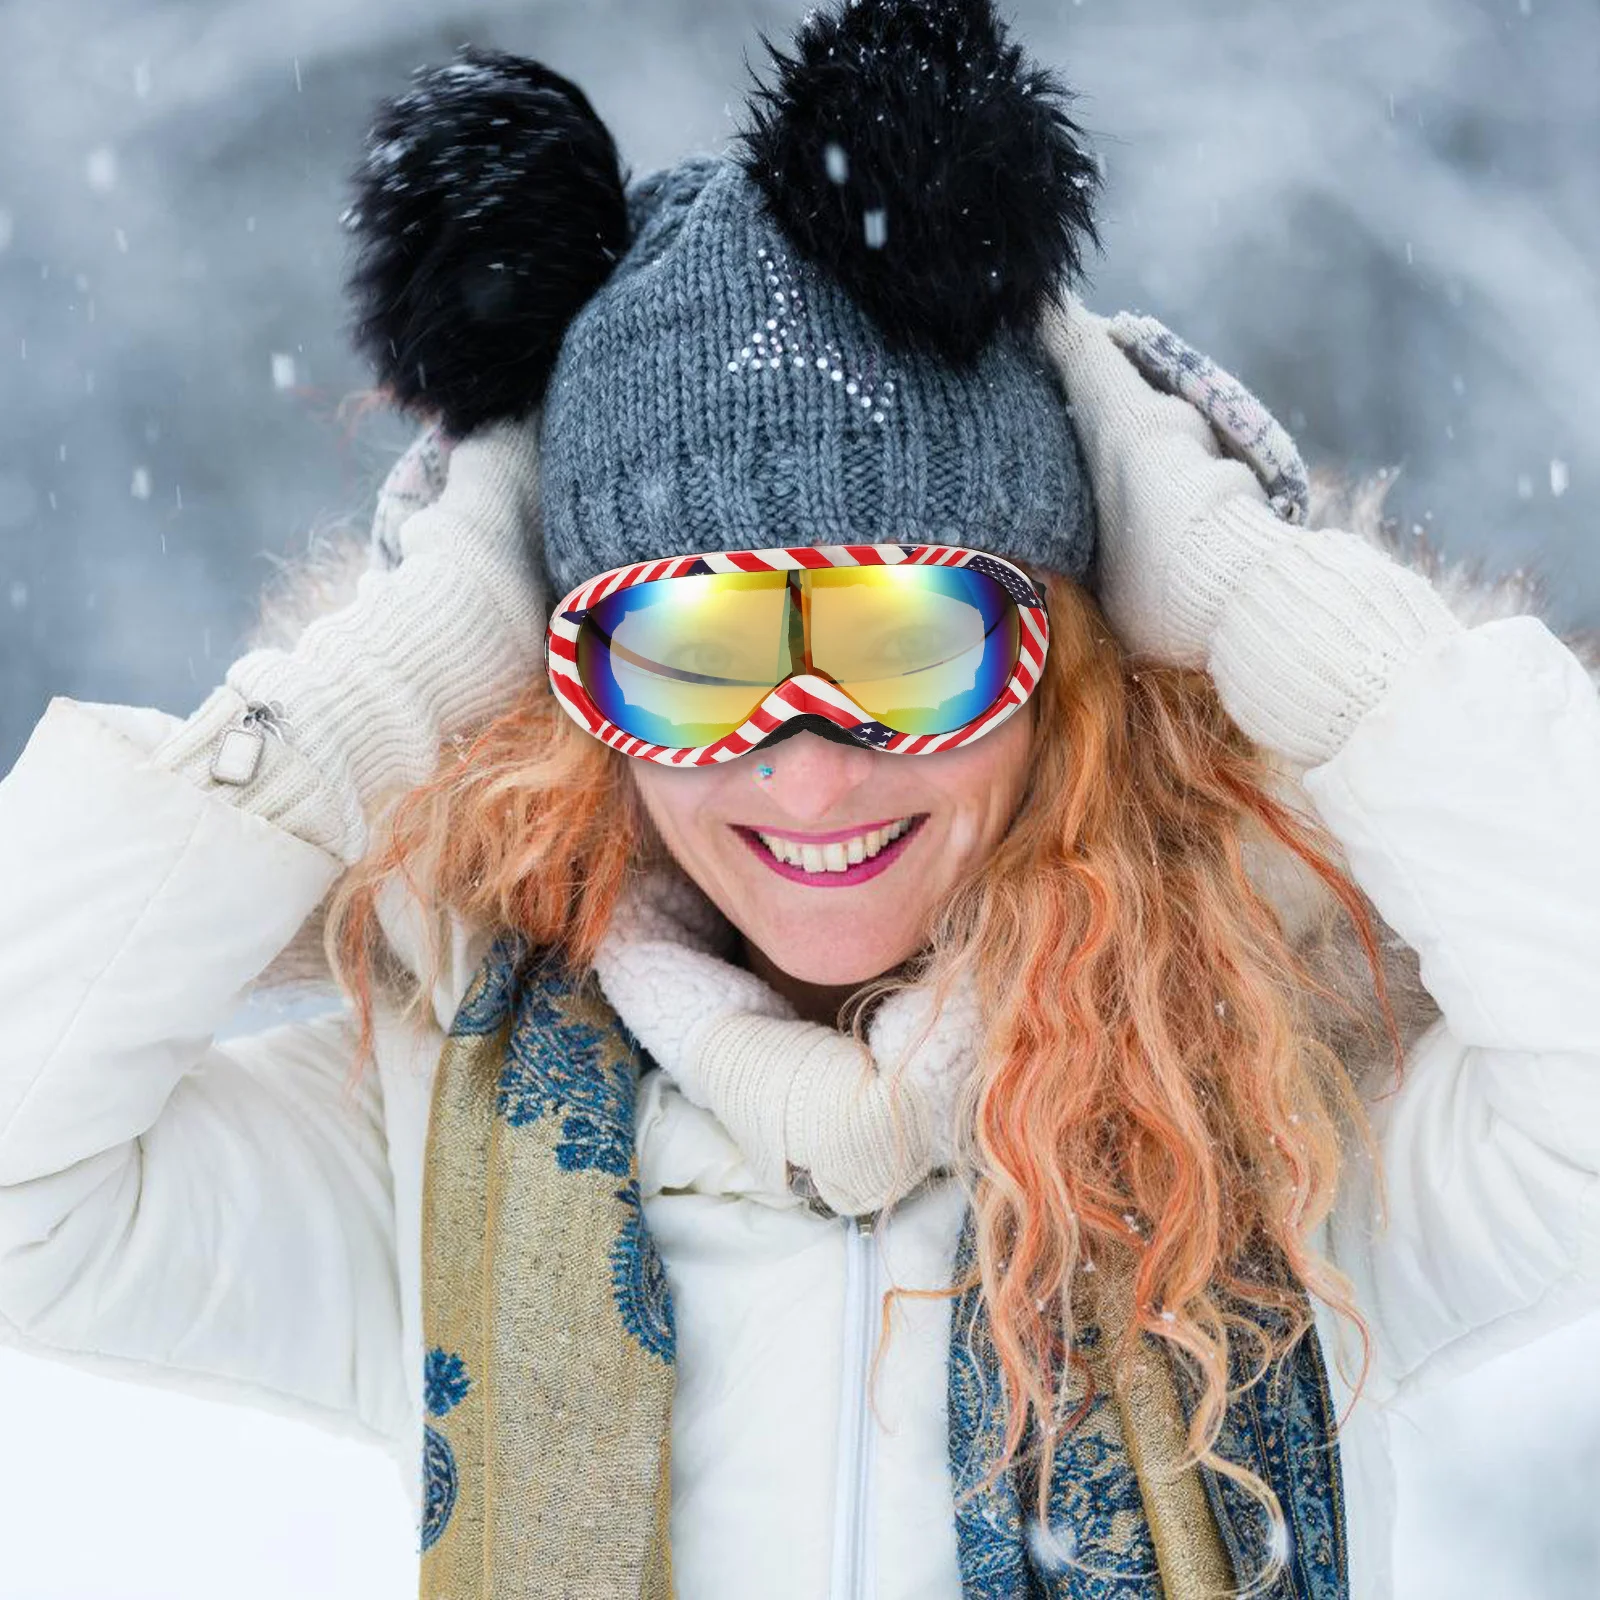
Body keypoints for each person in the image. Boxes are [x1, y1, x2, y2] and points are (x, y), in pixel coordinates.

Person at [1, 2, 1597, 1596]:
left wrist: (1256, 587)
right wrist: (386, 678)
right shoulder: (432, 1140)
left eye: (902, 642)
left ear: (1064, 649)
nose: (810, 764)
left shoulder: (1279, 1101)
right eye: (690, 654)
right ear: (568, 692)